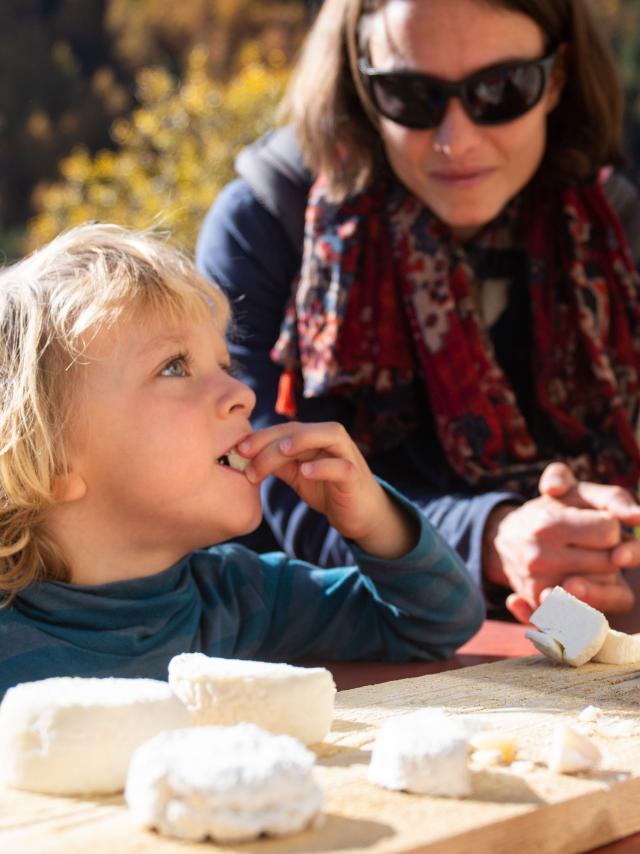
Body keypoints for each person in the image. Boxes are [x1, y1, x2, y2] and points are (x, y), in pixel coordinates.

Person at [196, 0, 640, 625]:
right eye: (410, 94)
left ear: (558, 78)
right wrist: (488, 535)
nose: (456, 141)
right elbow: (261, 480)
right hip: (337, 639)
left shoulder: (615, 231)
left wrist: (609, 544)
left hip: (573, 636)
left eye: (502, 89)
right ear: (359, 79)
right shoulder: (266, 224)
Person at [0, 223, 483, 699]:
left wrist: (375, 519)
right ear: (46, 456)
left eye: (225, 366)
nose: (242, 394)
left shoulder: (240, 596)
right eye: (174, 367)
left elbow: (436, 624)